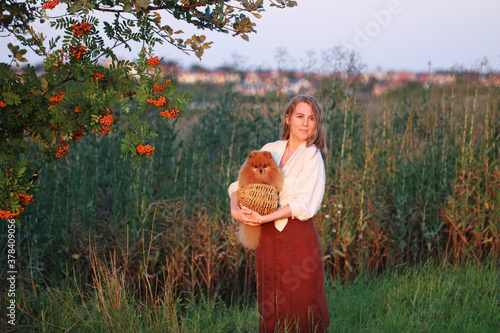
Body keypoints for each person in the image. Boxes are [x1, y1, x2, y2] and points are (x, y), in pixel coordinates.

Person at [229, 95, 330, 332]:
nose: (305, 123)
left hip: (297, 237)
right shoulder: (270, 149)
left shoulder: (312, 155)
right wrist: (235, 208)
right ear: (288, 119)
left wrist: (264, 218)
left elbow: (304, 204)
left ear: (316, 124)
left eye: (311, 118)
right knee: (271, 300)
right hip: (267, 237)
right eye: (300, 117)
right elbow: (241, 183)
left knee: (301, 300)